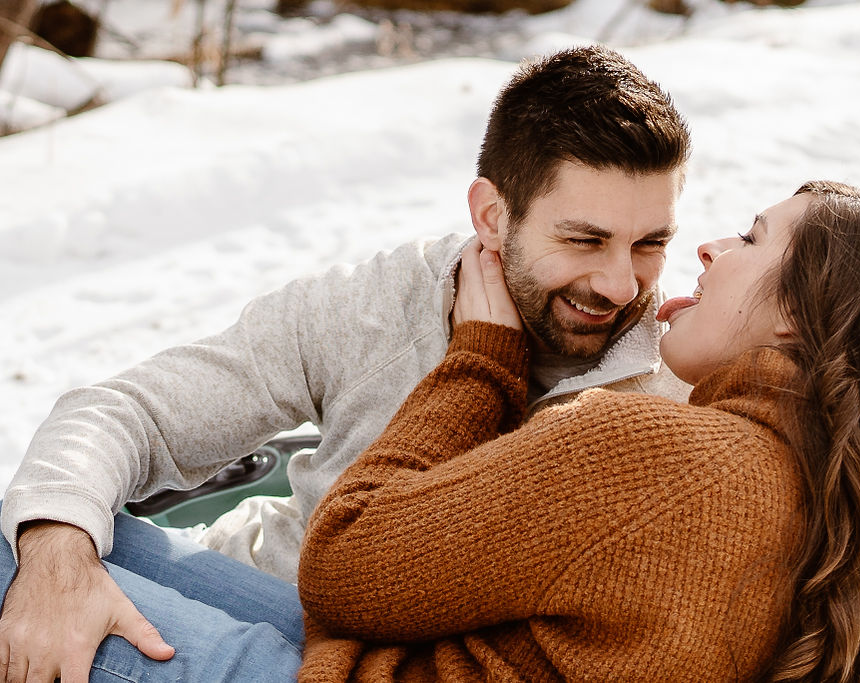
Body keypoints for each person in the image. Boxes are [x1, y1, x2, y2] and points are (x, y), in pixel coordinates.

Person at [0, 45, 692, 681]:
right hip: (262, 584)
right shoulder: (381, 304)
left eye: (649, 243)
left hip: (369, 665)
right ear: (491, 215)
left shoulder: (674, 388)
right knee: (30, 536)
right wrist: (56, 554)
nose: (620, 285)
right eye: (583, 239)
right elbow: (131, 412)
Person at [296, 181, 860, 681]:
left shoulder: (661, 458)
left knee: (175, 576)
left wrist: (480, 360)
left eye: (751, 238)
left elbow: (339, 560)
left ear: (798, 311)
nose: (708, 247)